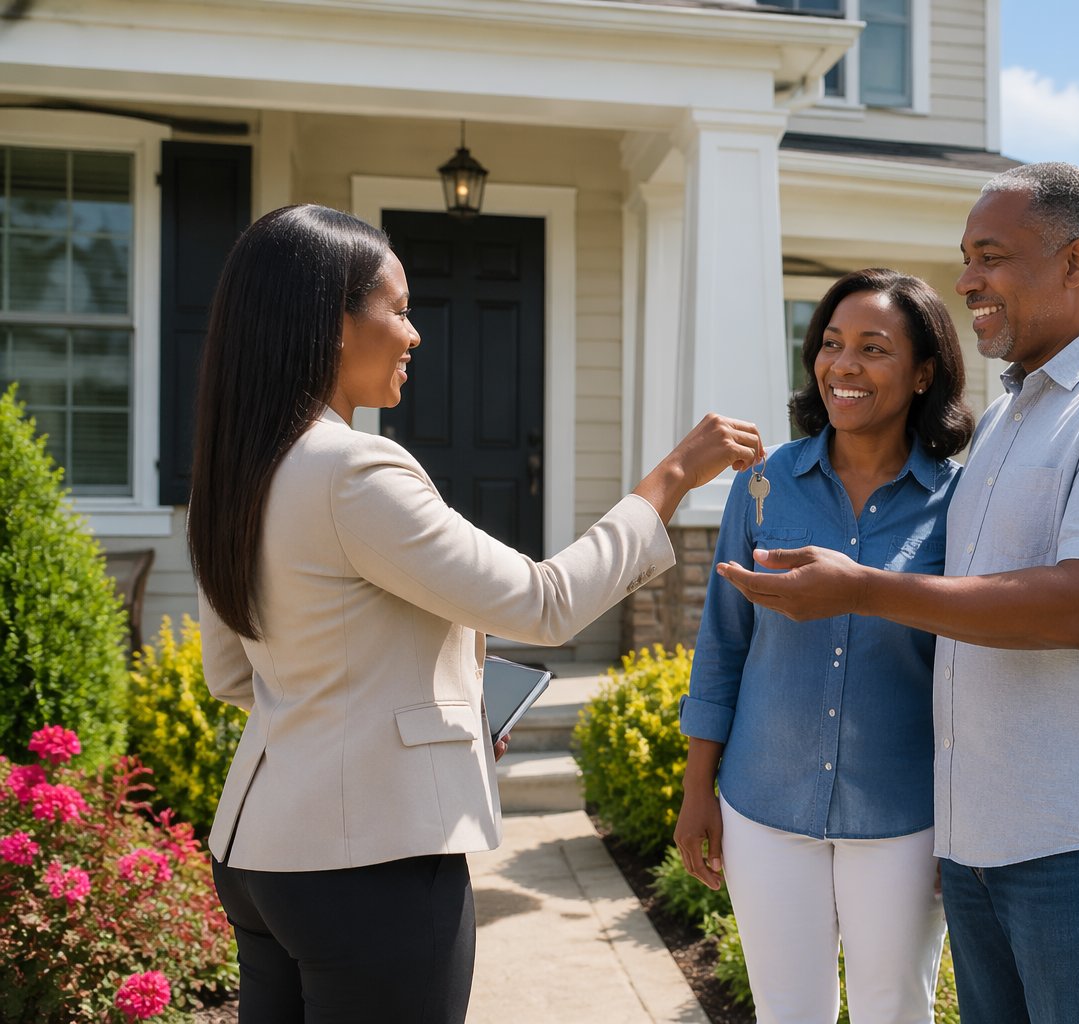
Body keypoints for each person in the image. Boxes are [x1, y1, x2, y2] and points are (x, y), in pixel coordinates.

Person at [187, 204, 761, 1024]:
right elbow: (545, 600)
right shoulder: (354, 471)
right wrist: (668, 479)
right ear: (333, 326)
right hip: (371, 865)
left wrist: (436, 717)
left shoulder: (236, 470)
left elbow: (234, 673)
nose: (415, 333)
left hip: (259, 854)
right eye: (398, 307)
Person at [718, 164, 1079, 1023]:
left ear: (1076, 262)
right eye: (965, 257)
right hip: (981, 839)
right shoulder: (1011, 420)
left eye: (990, 256)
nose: (966, 282)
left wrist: (863, 591)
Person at [674, 269, 975, 1024]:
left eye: (874, 349)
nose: (844, 365)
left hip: (904, 813)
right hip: (762, 801)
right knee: (788, 1014)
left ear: (923, 373)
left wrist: (964, 820)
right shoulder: (765, 484)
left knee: (894, 1011)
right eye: (831, 343)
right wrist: (695, 790)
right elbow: (723, 642)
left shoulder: (960, 503)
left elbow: (973, 674)